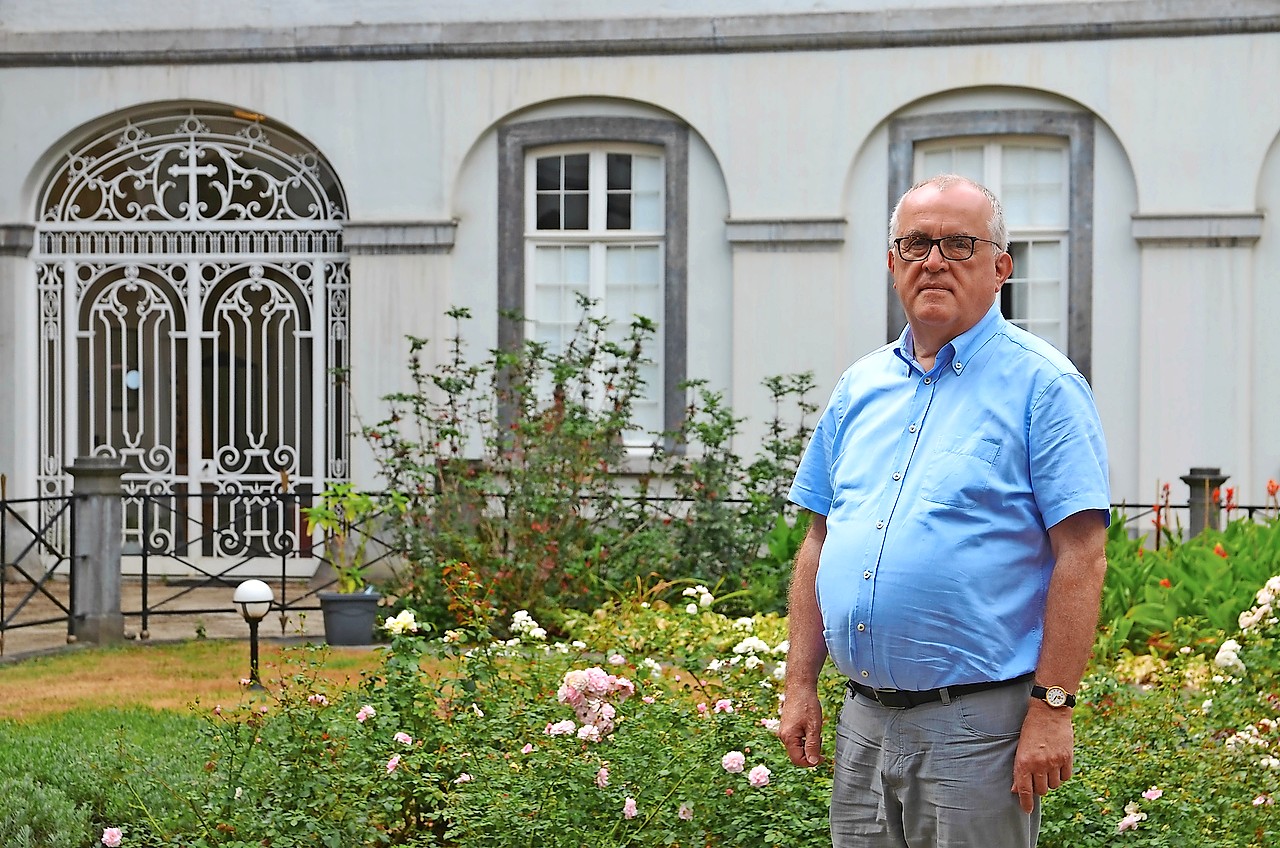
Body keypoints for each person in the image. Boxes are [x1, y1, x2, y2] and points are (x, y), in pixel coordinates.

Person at [778, 174, 1110, 847]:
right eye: (917, 243)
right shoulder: (859, 388)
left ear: (1000, 267)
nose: (935, 261)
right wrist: (799, 682)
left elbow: (1083, 556)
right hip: (863, 725)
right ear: (892, 262)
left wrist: (1052, 710)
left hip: (977, 731)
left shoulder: (1045, 388)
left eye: (960, 244)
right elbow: (819, 540)